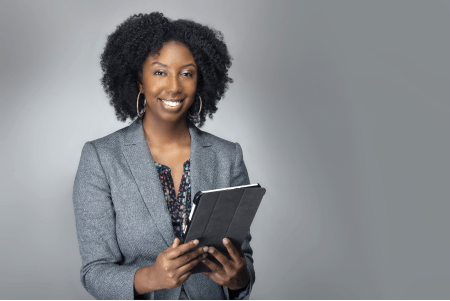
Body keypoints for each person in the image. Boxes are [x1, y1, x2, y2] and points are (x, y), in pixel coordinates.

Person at [72, 12, 255, 300]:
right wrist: (150, 278)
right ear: (139, 81)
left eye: (186, 73)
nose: (174, 86)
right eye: (160, 72)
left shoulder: (227, 156)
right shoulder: (101, 158)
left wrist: (239, 278)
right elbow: (94, 272)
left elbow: (241, 258)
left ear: (200, 81)